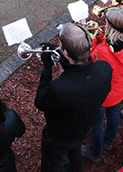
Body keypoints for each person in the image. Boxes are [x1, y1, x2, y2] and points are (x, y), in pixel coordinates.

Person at [35, 23, 112, 172]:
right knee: (75, 150)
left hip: (59, 134)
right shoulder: (105, 68)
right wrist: (65, 60)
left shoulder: (59, 88)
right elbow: (82, 73)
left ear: (66, 52)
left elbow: (40, 102)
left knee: (51, 164)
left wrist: (47, 68)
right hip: (83, 126)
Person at [83, 9, 123, 163]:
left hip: (102, 92)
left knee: (96, 122)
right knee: (113, 114)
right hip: (119, 87)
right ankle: (108, 141)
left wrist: (93, 39)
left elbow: (90, 59)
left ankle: (94, 152)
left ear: (112, 27)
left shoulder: (104, 51)